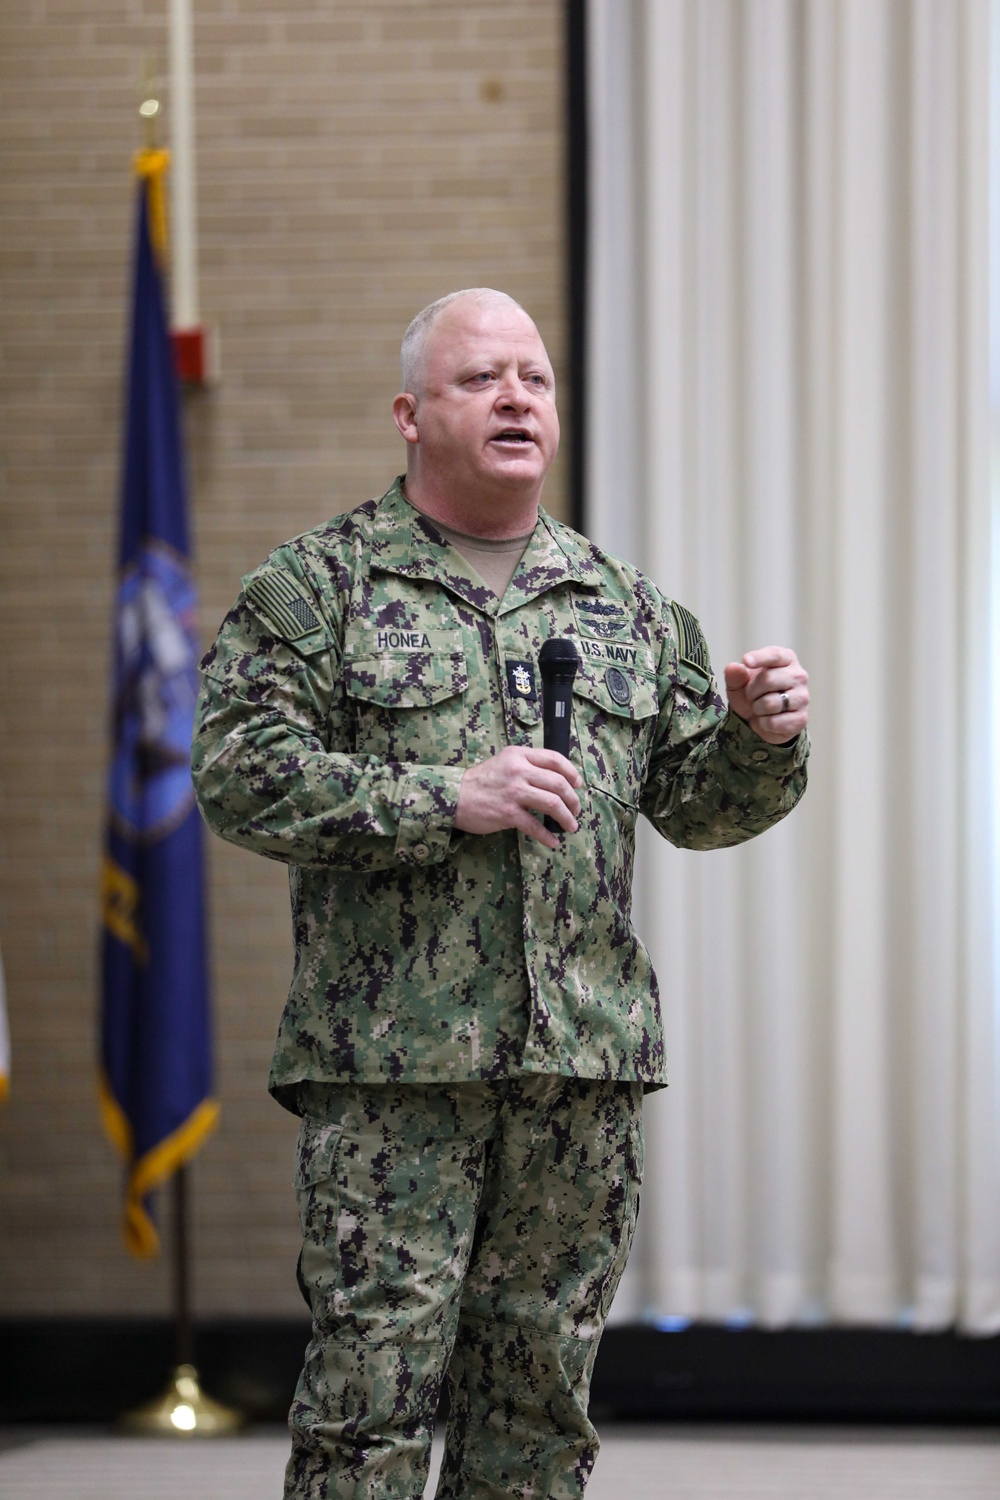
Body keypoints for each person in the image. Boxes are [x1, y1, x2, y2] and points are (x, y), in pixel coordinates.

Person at [192, 288, 809, 1499]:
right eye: (481, 379)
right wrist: (443, 797)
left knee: (536, 1420)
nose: (517, 396)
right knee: (367, 1410)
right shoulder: (318, 591)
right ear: (410, 415)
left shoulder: (625, 608)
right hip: (394, 1081)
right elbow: (237, 777)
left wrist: (758, 738)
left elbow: (697, 807)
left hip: (577, 1077)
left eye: (534, 376)